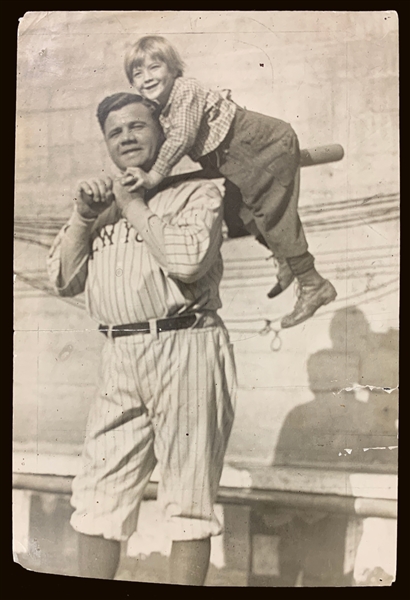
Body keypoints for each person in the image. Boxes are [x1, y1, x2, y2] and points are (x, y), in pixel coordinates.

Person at [47, 92, 237, 585]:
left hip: (186, 344)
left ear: (163, 131)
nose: (127, 137)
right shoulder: (98, 205)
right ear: (106, 144)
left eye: (137, 126)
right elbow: (63, 280)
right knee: (97, 493)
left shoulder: (199, 190)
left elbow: (189, 261)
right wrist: (85, 219)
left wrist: (132, 205)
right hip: (119, 351)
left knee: (189, 496)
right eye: (116, 132)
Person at [122, 35, 337, 329]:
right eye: (137, 73)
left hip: (262, 146)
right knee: (238, 213)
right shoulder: (162, 109)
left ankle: (313, 284)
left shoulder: (185, 91)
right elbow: (164, 144)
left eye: (154, 68)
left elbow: (182, 137)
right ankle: (284, 257)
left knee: (273, 215)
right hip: (239, 159)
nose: (146, 78)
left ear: (173, 69)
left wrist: (155, 175)